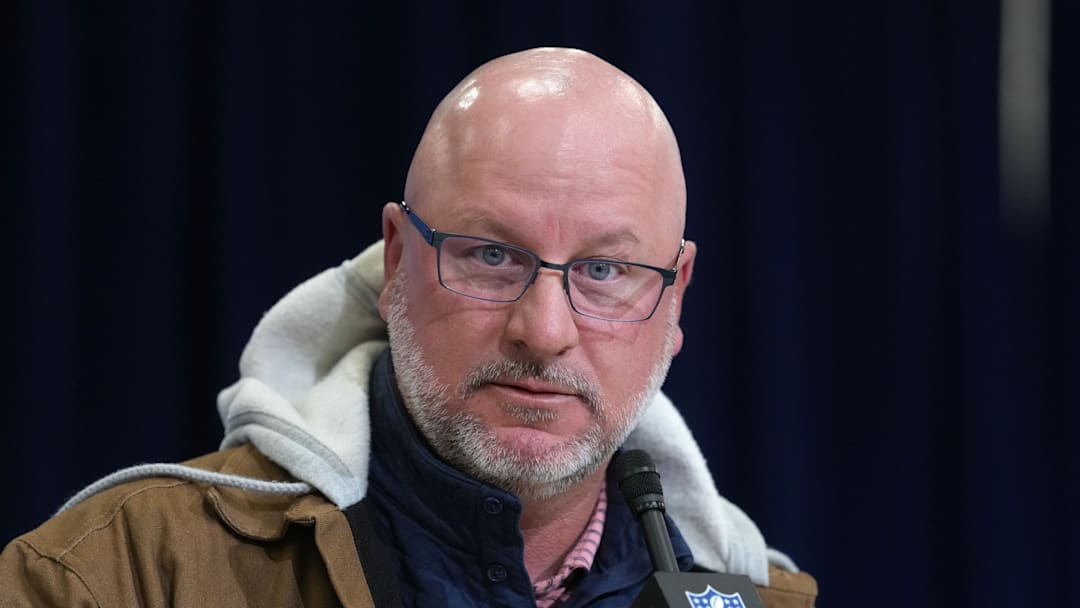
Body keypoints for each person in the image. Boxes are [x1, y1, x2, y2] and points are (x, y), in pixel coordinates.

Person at [0, 47, 817, 607]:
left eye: (605, 271)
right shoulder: (124, 576)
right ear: (396, 263)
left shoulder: (757, 596)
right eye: (493, 255)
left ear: (673, 299)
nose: (544, 329)